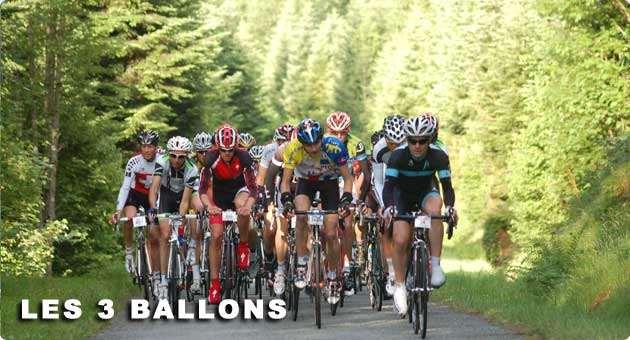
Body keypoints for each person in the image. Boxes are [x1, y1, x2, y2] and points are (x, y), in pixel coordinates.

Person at [382, 114, 459, 316]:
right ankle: (399, 286)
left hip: (426, 190)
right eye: (412, 141)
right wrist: (389, 207)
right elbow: (389, 187)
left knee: (436, 210)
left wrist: (451, 208)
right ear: (406, 140)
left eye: (422, 141)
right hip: (402, 195)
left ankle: (435, 264)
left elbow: (447, 187)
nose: (417, 146)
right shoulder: (397, 156)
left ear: (429, 140)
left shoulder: (439, 156)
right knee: (400, 239)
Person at [281, 118, 354, 305]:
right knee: (301, 214)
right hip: (305, 183)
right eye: (308, 144)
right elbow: (286, 182)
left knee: (330, 232)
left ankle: (331, 275)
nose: (313, 148)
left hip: (329, 183)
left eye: (316, 143)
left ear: (322, 138)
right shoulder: (293, 149)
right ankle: (302, 261)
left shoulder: (335, 147)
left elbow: (347, 178)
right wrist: (286, 200)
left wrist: (346, 197)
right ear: (301, 142)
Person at [199, 124, 258, 304]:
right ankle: (215, 285)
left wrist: (248, 206)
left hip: (238, 190)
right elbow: (202, 190)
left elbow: (253, 189)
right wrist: (210, 206)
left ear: (236, 148)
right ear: (217, 147)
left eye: (231, 150)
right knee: (216, 236)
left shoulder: (244, 158)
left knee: (243, 206)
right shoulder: (210, 160)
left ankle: (243, 245)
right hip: (218, 195)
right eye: (224, 150)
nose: (227, 154)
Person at [147, 136, 199, 300]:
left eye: (181, 156)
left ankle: (190, 244)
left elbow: (184, 202)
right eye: (173, 155)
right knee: (164, 235)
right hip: (167, 196)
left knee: (193, 213)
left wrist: (181, 217)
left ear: (187, 156)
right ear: (169, 154)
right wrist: (153, 209)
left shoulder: (192, 169)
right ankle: (163, 279)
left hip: (184, 194)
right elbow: (154, 189)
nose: (176, 160)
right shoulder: (162, 162)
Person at [110, 130, 160, 274]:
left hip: (153, 196)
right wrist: (119, 210)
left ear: (156, 147)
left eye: (150, 146)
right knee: (130, 219)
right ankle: (129, 252)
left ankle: (153, 266)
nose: (146, 150)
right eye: (143, 146)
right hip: (136, 194)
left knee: (153, 231)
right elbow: (125, 187)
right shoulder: (134, 162)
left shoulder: (162, 160)